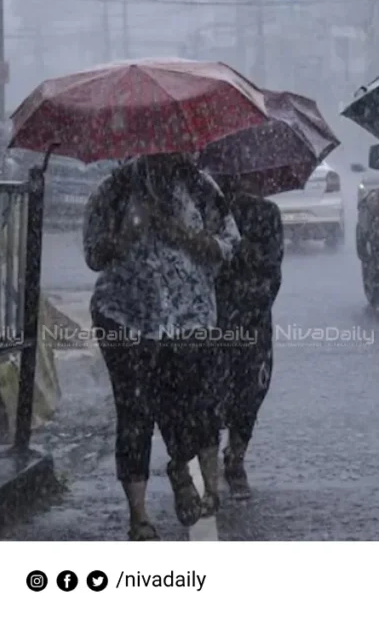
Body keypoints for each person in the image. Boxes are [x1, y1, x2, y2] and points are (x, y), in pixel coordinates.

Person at [83, 153, 240, 540]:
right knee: (134, 413)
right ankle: (139, 518)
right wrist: (126, 235)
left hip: (190, 317)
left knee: (188, 404)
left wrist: (181, 234)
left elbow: (228, 245)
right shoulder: (113, 190)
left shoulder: (202, 187)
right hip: (124, 317)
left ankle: (182, 469)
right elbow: (93, 255)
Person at [209, 174, 284, 500]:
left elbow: (272, 267)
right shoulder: (206, 210)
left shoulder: (266, 213)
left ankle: (236, 458)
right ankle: (205, 459)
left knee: (250, 389)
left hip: (252, 316)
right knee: (208, 390)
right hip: (210, 315)